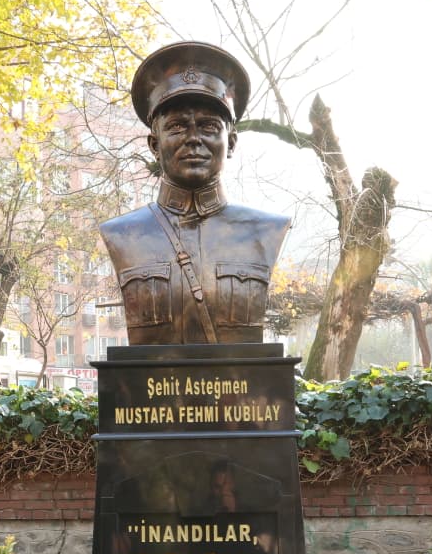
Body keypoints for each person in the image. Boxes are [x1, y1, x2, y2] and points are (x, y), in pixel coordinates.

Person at [99, 41, 290, 345]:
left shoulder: (265, 230)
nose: (193, 139)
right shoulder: (123, 234)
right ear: (154, 144)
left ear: (232, 143)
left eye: (208, 126)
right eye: (177, 127)